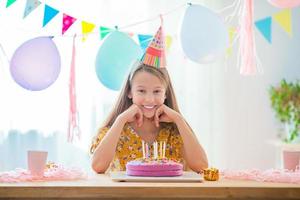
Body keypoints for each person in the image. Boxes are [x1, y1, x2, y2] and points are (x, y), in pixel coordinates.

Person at [90, 25, 208, 174]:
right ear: (129, 92)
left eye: (157, 91)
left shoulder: (175, 133)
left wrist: (178, 119)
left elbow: (202, 166)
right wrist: (120, 120)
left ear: (165, 94)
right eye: (141, 91)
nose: (149, 99)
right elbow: (97, 166)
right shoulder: (115, 131)